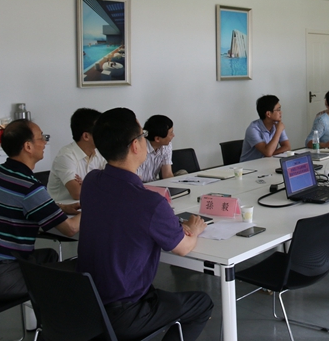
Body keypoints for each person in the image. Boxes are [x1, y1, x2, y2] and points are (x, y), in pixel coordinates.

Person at [77, 108, 213, 340]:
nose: (144, 139)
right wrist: (194, 228)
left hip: (86, 302)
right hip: (125, 312)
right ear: (135, 146)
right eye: (143, 135)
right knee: (202, 304)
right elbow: (183, 248)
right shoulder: (150, 202)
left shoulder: (91, 182)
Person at [0, 120, 81, 301]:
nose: (44, 142)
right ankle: (55, 316)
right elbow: (70, 229)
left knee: (49, 256)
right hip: (3, 278)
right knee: (72, 274)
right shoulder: (29, 186)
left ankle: (41, 314)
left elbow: (18, 204)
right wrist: (92, 207)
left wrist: (61, 207)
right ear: (28, 146)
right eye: (41, 137)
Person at [47, 108, 106, 201]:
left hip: (89, 205)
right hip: (63, 209)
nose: (105, 135)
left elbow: (113, 183)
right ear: (86, 136)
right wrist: (96, 184)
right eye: (101, 131)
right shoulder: (65, 156)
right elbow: (77, 194)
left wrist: (86, 184)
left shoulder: (100, 153)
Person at [240, 95, 291, 162]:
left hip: (267, 162)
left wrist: (271, 153)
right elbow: (268, 152)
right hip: (249, 166)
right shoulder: (253, 129)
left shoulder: (277, 125)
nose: (281, 112)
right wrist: (278, 131)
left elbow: (287, 147)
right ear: (268, 114)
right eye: (278, 110)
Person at [137, 115, 175, 182]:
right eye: (171, 133)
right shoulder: (138, 149)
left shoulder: (166, 145)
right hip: (139, 185)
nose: (173, 135)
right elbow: (136, 181)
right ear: (157, 139)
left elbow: (167, 175)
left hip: (155, 183)